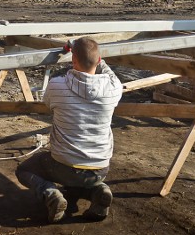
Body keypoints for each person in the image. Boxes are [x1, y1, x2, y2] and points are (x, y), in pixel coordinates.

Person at [16, 37, 122, 223]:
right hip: (99, 168)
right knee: (78, 179)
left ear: (73, 61)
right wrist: (95, 57)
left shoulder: (57, 85)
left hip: (63, 165)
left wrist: (74, 52)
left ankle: (50, 194)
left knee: (24, 170)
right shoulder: (113, 88)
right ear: (98, 60)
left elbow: (48, 104)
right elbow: (107, 71)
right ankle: (99, 191)